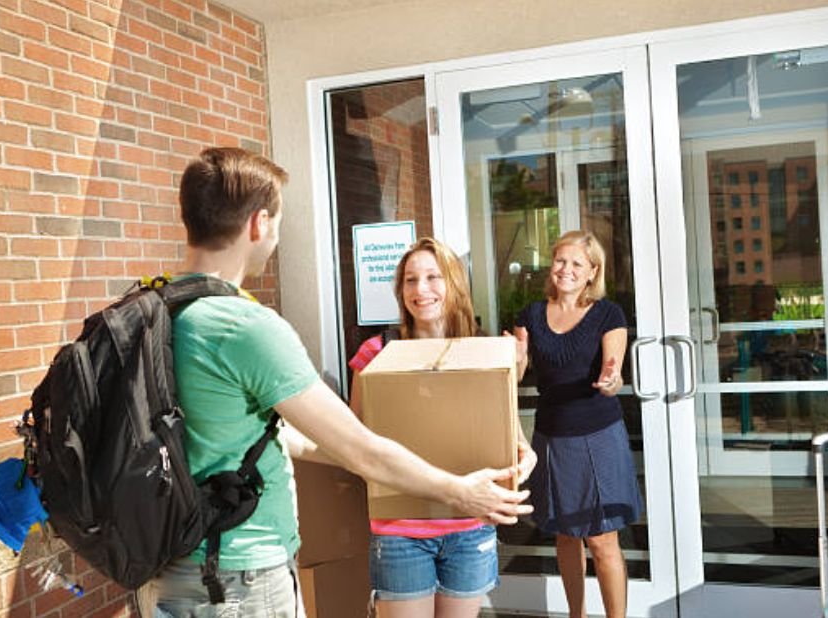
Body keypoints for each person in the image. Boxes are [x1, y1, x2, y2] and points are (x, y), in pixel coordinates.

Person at [151, 147, 532, 618]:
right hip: (239, 569)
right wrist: (456, 489)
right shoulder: (246, 327)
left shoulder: (159, 311)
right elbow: (360, 449)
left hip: (172, 560)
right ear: (259, 224)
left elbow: (283, 435)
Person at [348, 237, 537, 618]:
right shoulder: (377, 353)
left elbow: (518, 444)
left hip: (470, 525)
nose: (421, 290)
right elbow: (353, 440)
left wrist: (520, 467)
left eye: (433, 277)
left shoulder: (483, 351)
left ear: (453, 284)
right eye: (410, 280)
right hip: (401, 528)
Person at [511, 230, 642, 618]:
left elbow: (613, 371)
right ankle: (576, 615)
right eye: (561, 261)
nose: (566, 270)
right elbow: (516, 375)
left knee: (602, 541)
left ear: (592, 272)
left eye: (577, 264)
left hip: (598, 436)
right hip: (551, 436)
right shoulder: (531, 315)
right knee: (566, 536)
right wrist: (516, 356)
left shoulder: (608, 314)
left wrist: (611, 381)